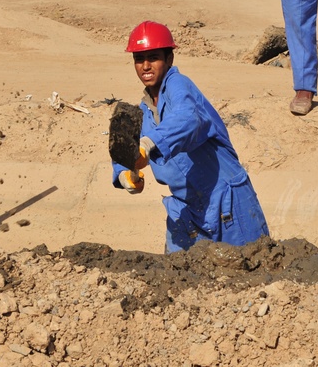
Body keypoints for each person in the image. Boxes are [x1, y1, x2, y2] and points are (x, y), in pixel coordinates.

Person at [112, 21, 271, 253]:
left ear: (169, 60)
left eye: (153, 57)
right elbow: (125, 150)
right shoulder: (143, 112)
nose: (145, 66)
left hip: (227, 202)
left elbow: (187, 119)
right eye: (139, 59)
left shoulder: (179, 85)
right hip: (186, 210)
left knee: (252, 272)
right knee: (178, 280)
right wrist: (124, 173)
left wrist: (148, 144)